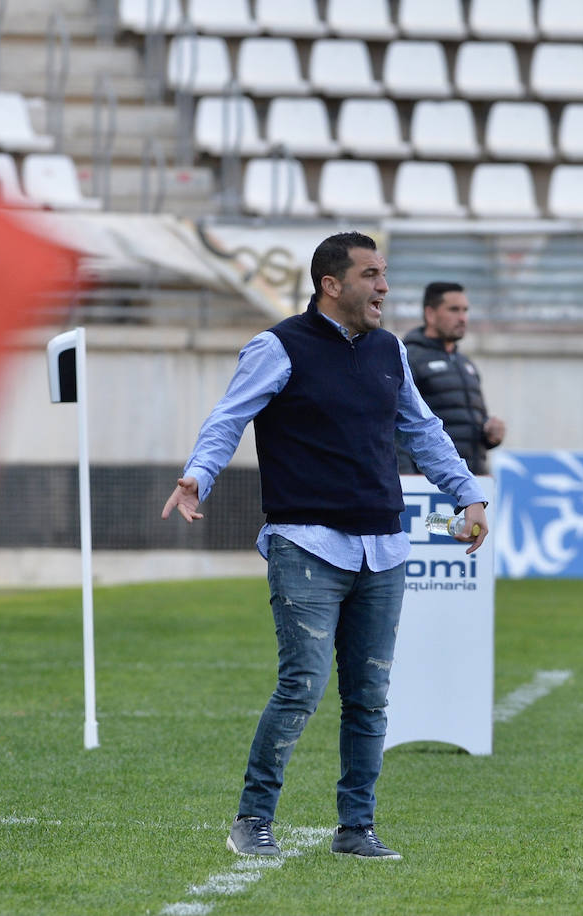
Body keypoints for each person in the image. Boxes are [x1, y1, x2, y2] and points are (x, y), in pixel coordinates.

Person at [162, 232, 490, 862]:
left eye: (385, 274)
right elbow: (228, 417)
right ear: (331, 285)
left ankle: (356, 828)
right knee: (303, 686)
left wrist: (467, 495)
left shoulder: (391, 350)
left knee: (369, 696)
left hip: (384, 549)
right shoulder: (276, 346)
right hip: (305, 545)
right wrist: (198, 473)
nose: (384, 288)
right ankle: (252, 818)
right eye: (371, 275)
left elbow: (423, 430)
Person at [397, 282, 505, 476]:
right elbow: (398, 426)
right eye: (454, 310)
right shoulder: (409, 359)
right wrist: (409, 480)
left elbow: (464, 423)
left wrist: (490, 434)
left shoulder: (466, 364)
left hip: (471, 484)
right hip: (433, 484)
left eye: (465, 310)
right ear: (430, 314)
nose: (463, 318)